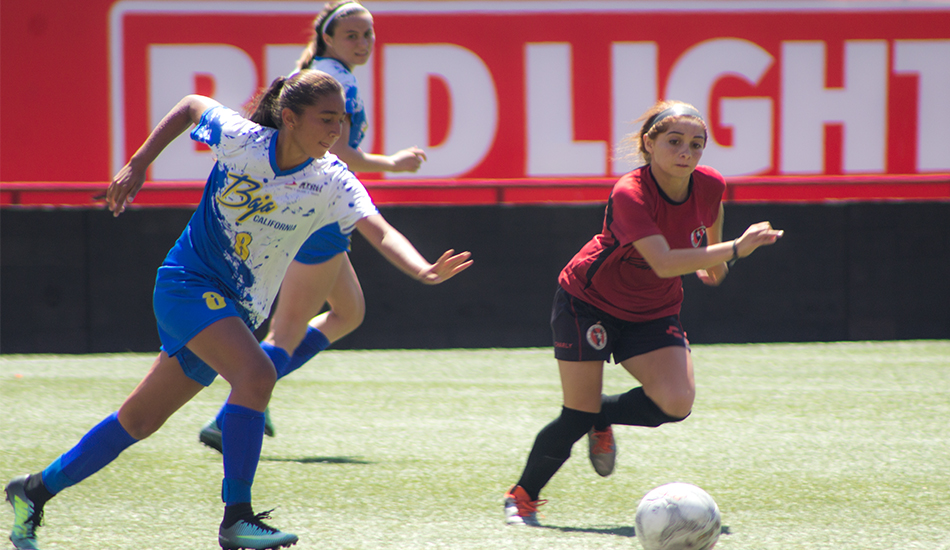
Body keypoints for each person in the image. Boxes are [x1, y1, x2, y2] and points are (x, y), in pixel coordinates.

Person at [4, 70, 471, 550]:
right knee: (257, 375)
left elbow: (380, 229)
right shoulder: (243, 140)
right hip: (187, 285)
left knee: (139, 421)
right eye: (326, 119)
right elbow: (189, 105)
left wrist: (422, 270)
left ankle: (34, 491)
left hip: (234, 310)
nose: (337, 131)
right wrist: (139, 164)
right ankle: (237, 518)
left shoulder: (331, 179)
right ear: (289, 118)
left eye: (343, 120)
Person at [502, 101, 783, 527]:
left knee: (676, 402)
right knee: (575, 412)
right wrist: (737, 249)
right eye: (674, 141)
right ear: (649, 144)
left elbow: (712, 215)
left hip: (653, 309)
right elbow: (666, 262)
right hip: (587, 302)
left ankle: (601, 415)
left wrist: (718, 262)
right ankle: (522, 497)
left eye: (696, 144)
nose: (686, 151)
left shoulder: (709, 184)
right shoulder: (630, 191)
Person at [198, 0, 429, 452]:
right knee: (288, 332)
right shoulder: (337, 80)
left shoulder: (326, 71)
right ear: (328, 37)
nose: (363, 43)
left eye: (369, 33)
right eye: (353, 35)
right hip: (318, 209)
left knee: (349, 313)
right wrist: (396, 164)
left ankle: (242, 405)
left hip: (312, 205)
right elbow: (342, 155)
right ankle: (234, 413)